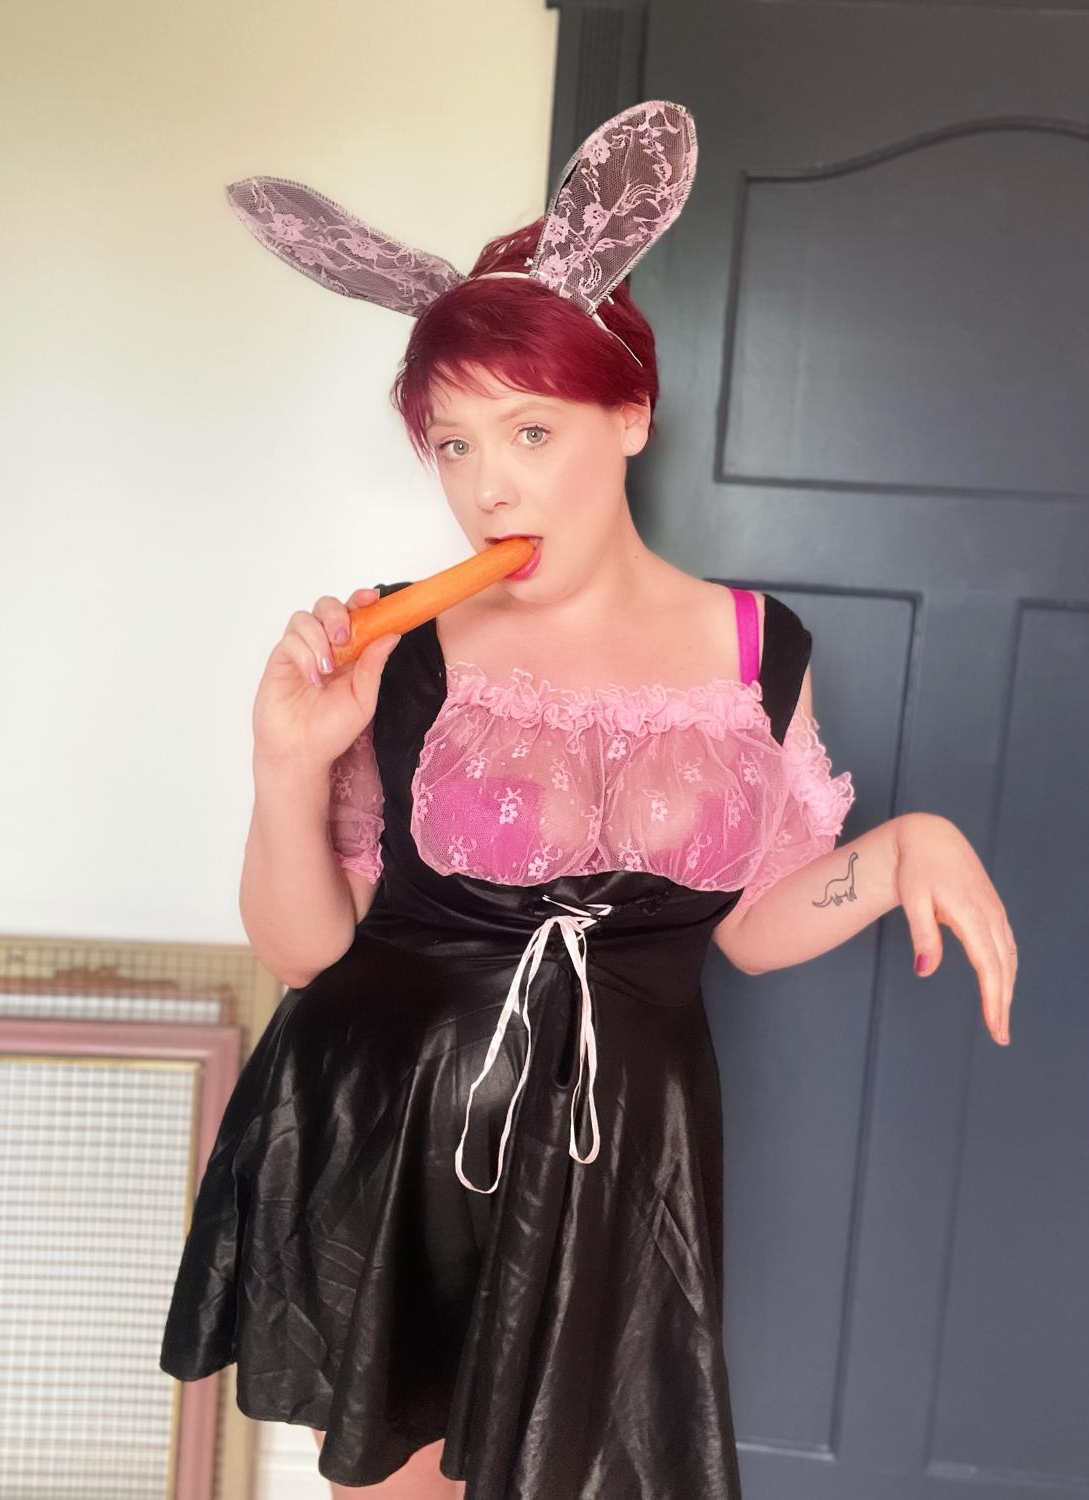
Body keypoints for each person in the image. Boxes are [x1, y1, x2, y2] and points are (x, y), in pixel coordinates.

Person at [159, 102, 1017, 1500]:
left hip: (622, 1161)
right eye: (452, 446)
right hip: (392, 1134)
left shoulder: (758, 647)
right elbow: (307, 951)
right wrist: (284, 760)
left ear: (629, 416)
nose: (489, 487)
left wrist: (902, 850)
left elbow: (748, 929)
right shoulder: (393, 641)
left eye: (529, 430)